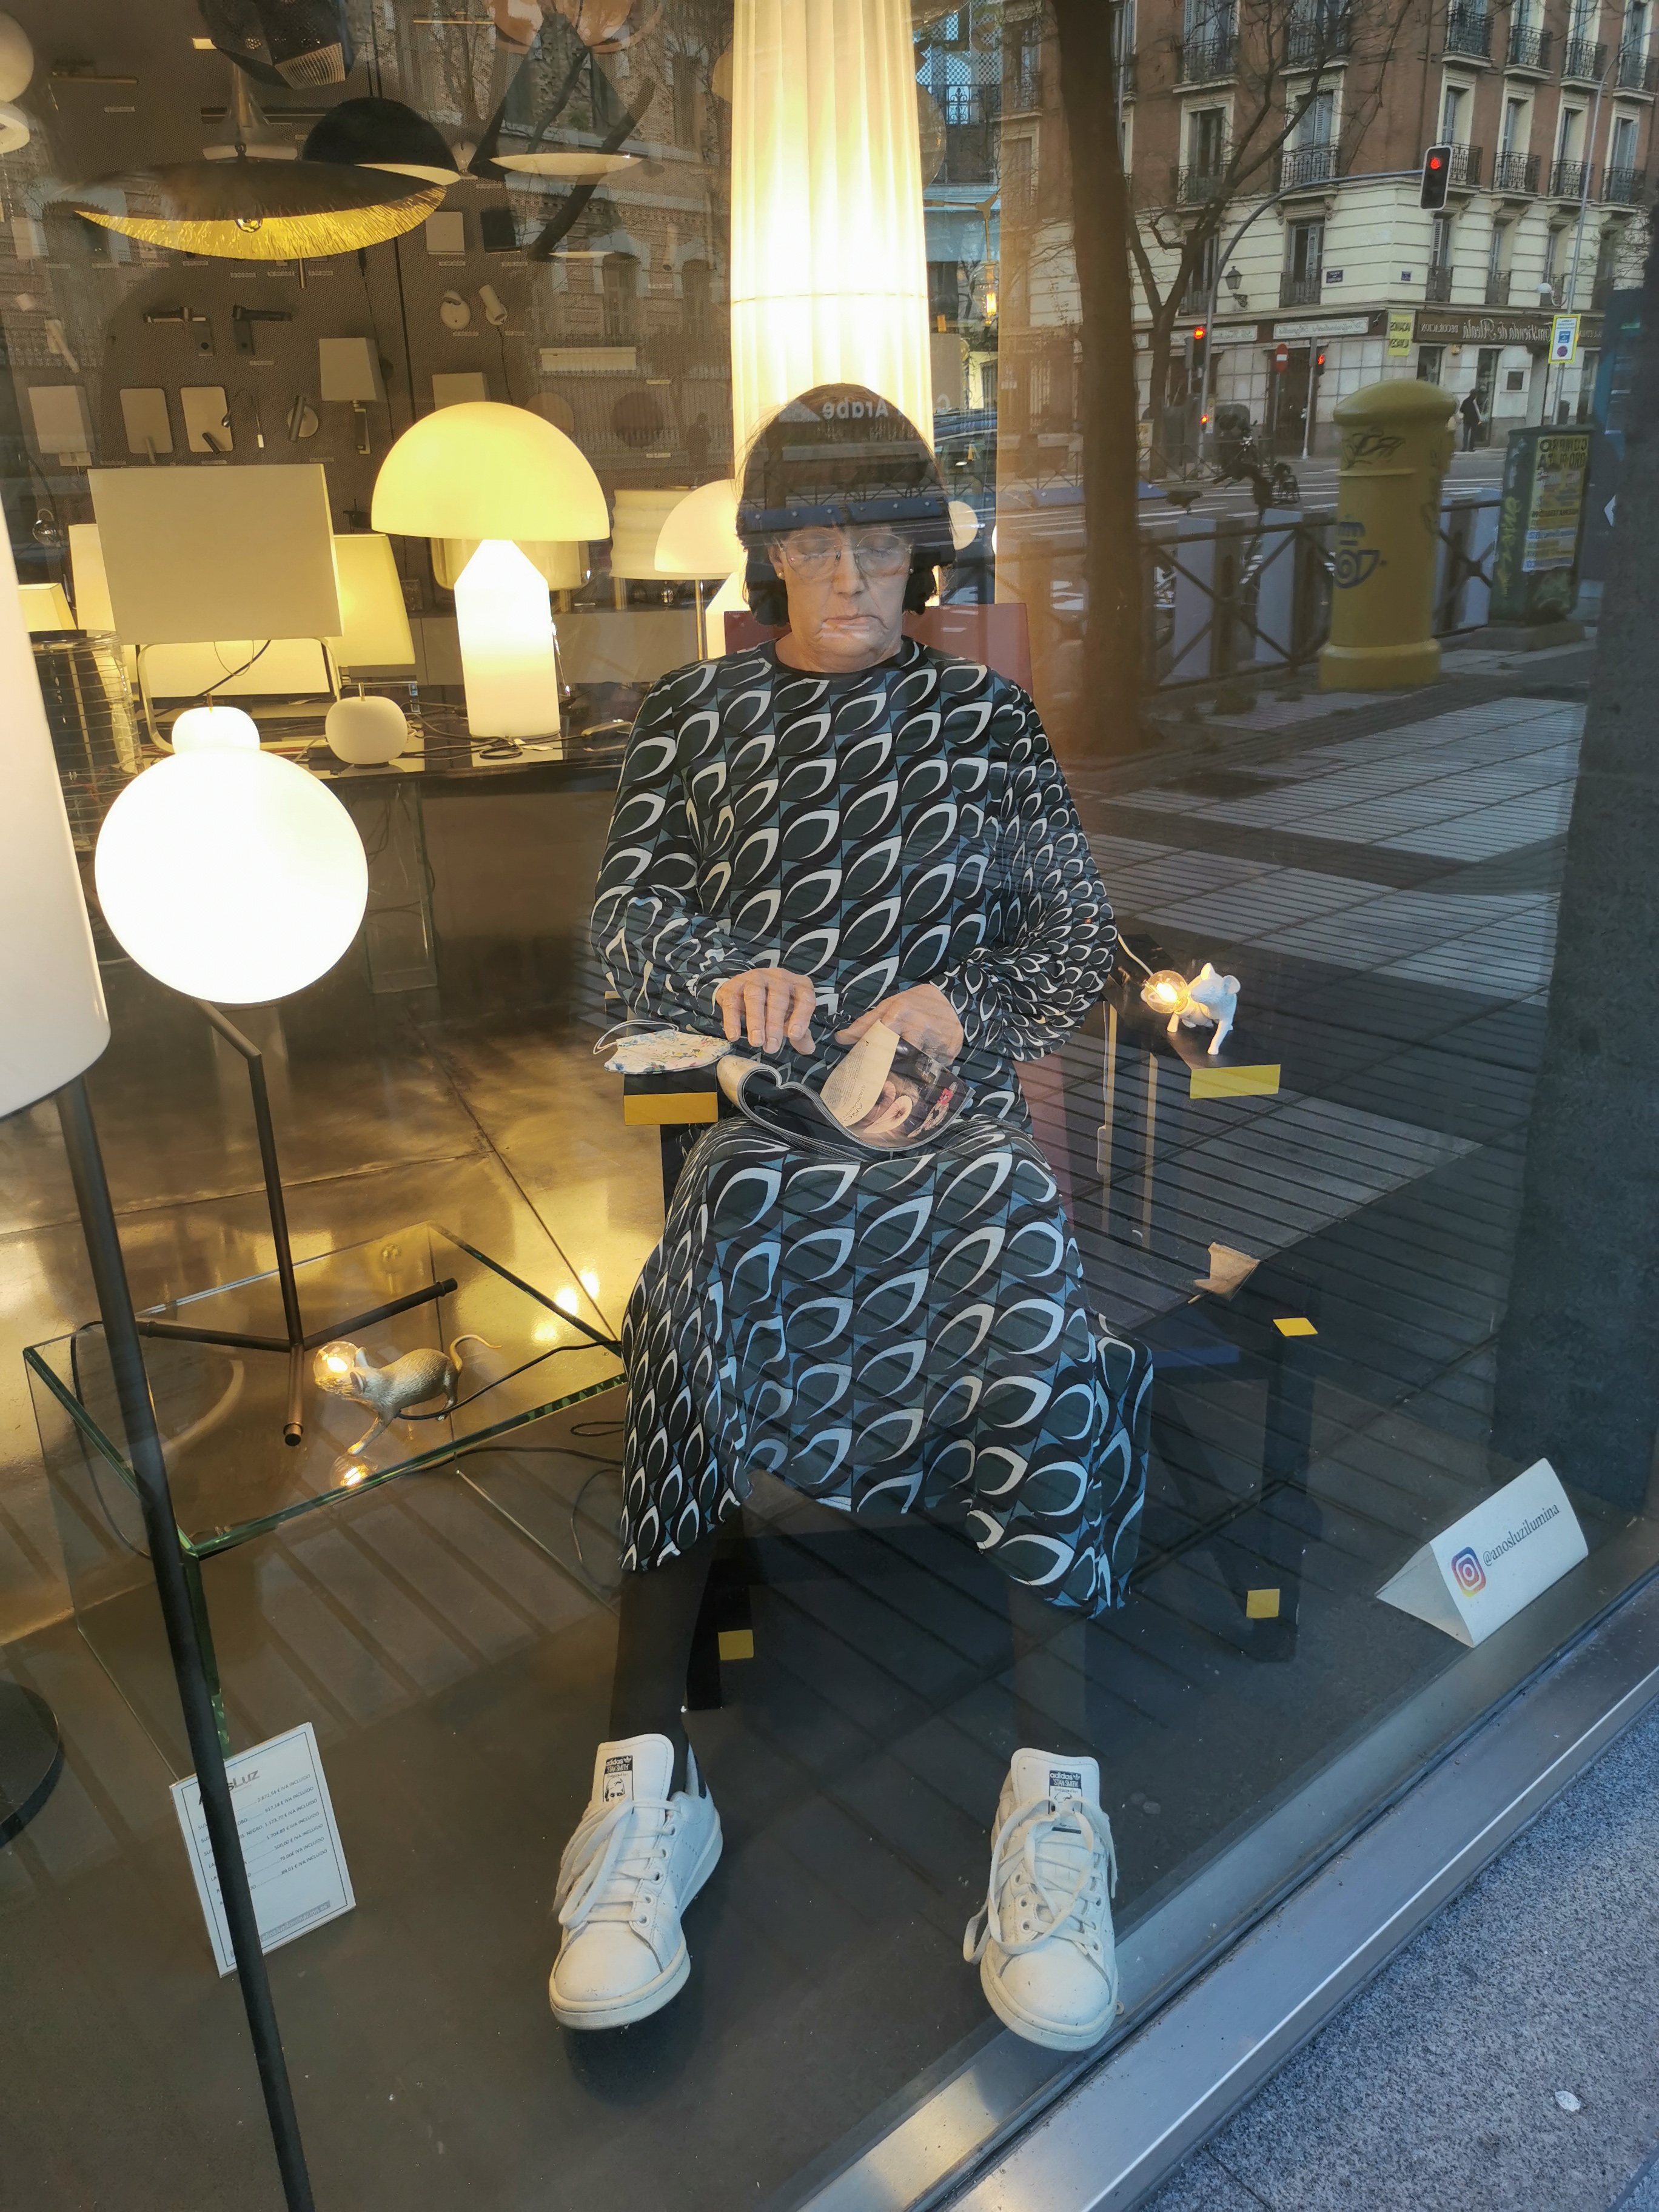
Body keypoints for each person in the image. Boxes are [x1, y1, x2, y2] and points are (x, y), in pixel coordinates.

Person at [555, 384, 1151, 2053]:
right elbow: (623, 926)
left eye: (876, 543)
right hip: (775, 1131)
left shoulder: (984, 720)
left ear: (917, 557)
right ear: (768, 555)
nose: (845, 576)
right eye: (813, 543)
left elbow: (1071, 938)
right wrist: (720, 969)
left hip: (952, 1127)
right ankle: (646, 1784)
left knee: (1023, 1279)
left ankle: (1053, 1798)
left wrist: (959, 1005)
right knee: (688, 1301)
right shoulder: (694, 715)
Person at [1460, 387, 1484, 451]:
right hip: (1474, 421)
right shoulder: (1477, 402)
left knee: (1466, 435)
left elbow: (1461, 410)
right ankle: (1471, 448)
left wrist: (1466, 413)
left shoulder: (1466, 401)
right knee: (1473, 435)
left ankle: (1464, 448)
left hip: (1466, 420)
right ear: (1476, 395)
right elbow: (1481, 410)